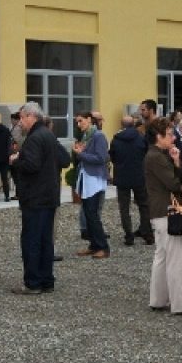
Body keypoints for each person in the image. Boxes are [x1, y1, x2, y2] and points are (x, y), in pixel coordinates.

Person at [9, 102, 70, 294]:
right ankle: (46, 280)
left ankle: (33, 283)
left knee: (32, 241)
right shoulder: (48, 134)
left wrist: (17, 161)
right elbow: (64, 159)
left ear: (30, 116)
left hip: (35, 198)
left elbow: (32, 166)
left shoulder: (35, 137)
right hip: (49, 196)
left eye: (21, 118)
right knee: (45, 241)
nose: (20, 122)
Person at [146, 117, 182, 315]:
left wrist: (175, 160)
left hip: (159, 210)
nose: (173, 138)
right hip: (166, 210)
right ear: (159, 137)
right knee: (174, 258)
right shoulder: (156, 157)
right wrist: (177, 163)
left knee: (162, 255)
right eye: (169, 134)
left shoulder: (157, 155)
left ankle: (158, 299)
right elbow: (174, 184)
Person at [109, 115, 153, 246]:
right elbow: (146, 154)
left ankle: (129, 236)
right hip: (139, 176)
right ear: (133, 124)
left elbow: (113, 157)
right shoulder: (141, 138)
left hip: (122, 177)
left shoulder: (116, 140)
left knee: (124, 207)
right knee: (144, 205)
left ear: (121, 125)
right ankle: (147, 234)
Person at [73, 111, 111, 259]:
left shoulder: (98, 136)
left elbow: (101, 158)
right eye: (77, 122)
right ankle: (94, 245)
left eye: (80, 121)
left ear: (89, 120)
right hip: (87, 178)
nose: (78, 124)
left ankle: (103, 247)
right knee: (89, 214)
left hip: (94, 179)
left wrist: (80, 154)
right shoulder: (87, 135)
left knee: (92, 214)